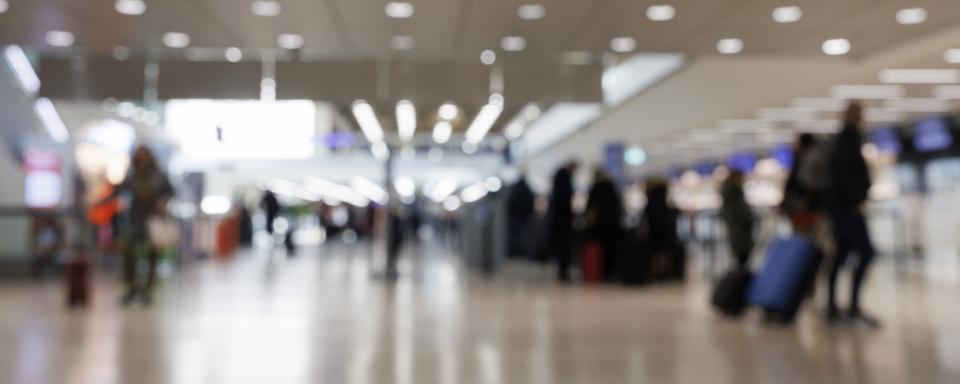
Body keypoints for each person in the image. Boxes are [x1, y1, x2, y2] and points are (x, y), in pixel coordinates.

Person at [826, 101, 879, 327]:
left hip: (843, 208)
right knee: (865, 252)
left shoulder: (849, 139)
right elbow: (845, 176)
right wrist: (856, 200)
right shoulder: (845, 141)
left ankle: (836, 307)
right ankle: (849, 307)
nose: (860, 117)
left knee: (841, 256)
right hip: (847, 209)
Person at [104, 145, 174, 306]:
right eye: (140, 156)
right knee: (128, 252)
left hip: (154, 220)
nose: (142, 158)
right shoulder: (133, 176)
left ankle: (148, 289)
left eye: (145, 155)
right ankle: (130, 287)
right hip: (135, 220)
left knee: (152, 255)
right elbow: (118, 191)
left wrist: (163, 202)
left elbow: (170, 192)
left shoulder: (159, 176)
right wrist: (100, 201)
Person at [583, 168, 623, 281]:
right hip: (612, 225)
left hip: (598, 226)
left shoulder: (596, 189)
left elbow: (590, 208)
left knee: (598, 250)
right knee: (609, 249)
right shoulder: (612, 188)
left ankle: (598, 273)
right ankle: (609, 273)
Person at [781, 133, 821, 233]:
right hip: (808, 210)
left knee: (804, 238)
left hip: (804, 210)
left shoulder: (805, 164)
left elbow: (800, 185)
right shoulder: (807, 162)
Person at [547, 161, 577, 282]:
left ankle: (562, 270)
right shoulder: (564, 180)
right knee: (564, 247)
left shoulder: (558, 181)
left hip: (559, 220)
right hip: (563, 221)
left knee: (561, 247)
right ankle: (563, 271)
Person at [719, 169, 754, 269]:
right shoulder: (735, 193)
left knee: (740, 256)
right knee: (742, 256)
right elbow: (742, 211)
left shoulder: (728, 194)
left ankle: (740, 276)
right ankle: (741, 278)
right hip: (740, 229)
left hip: (734, 229)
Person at [506, 175, 536, 257]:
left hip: (515, 217)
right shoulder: (527, 189)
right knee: (521, 235)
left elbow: (509, 202)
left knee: (514, 236)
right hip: (522, 217)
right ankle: (519, 251)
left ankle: (513, 252)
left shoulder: (514, 188)